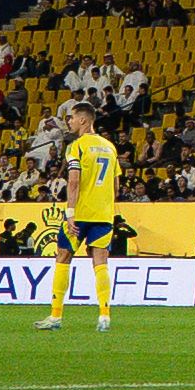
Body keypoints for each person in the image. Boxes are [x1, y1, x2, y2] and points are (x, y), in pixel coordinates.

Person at [40, 103, 119, 332]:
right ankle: (104, 316)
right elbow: (115, 186)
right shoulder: (109, 147)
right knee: (101, 263)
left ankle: (55, 316)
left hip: (81, 213)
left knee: (63, 257)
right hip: (104, 214)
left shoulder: (76, 147)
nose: (70, 122)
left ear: (84, 120)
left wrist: (70, 214)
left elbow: (73, 181)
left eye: (72, 118)